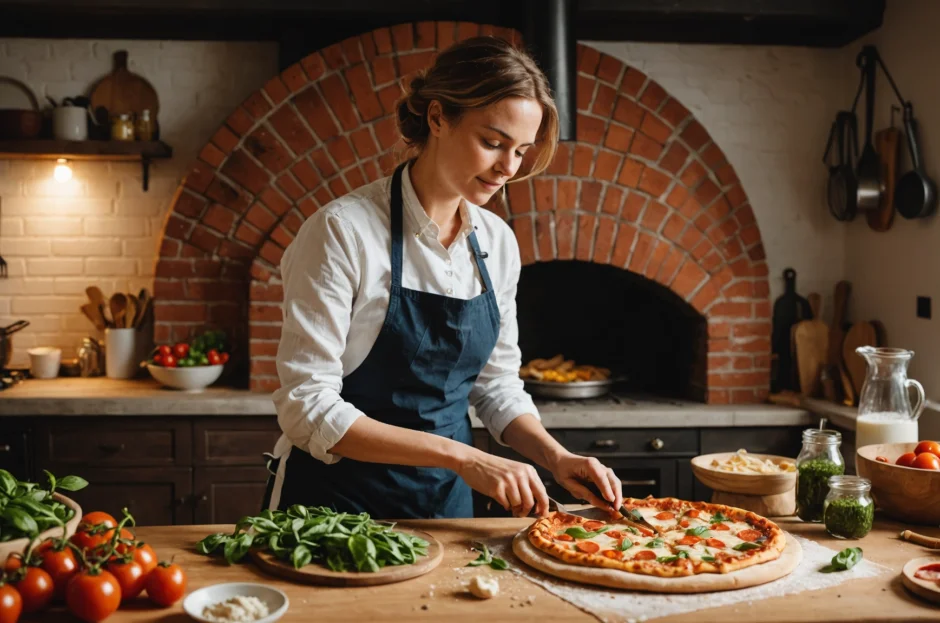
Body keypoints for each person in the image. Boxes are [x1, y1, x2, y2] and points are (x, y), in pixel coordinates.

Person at [263, 35, 623, 519]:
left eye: (520, 151)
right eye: (493, 143)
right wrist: (466, 457)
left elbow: (496, 388)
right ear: (437, 118)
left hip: (447, 508)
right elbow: (306, 406)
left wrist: (555, 457)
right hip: (331, 512)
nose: (507, 169)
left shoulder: (497, 243)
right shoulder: (342, 232)